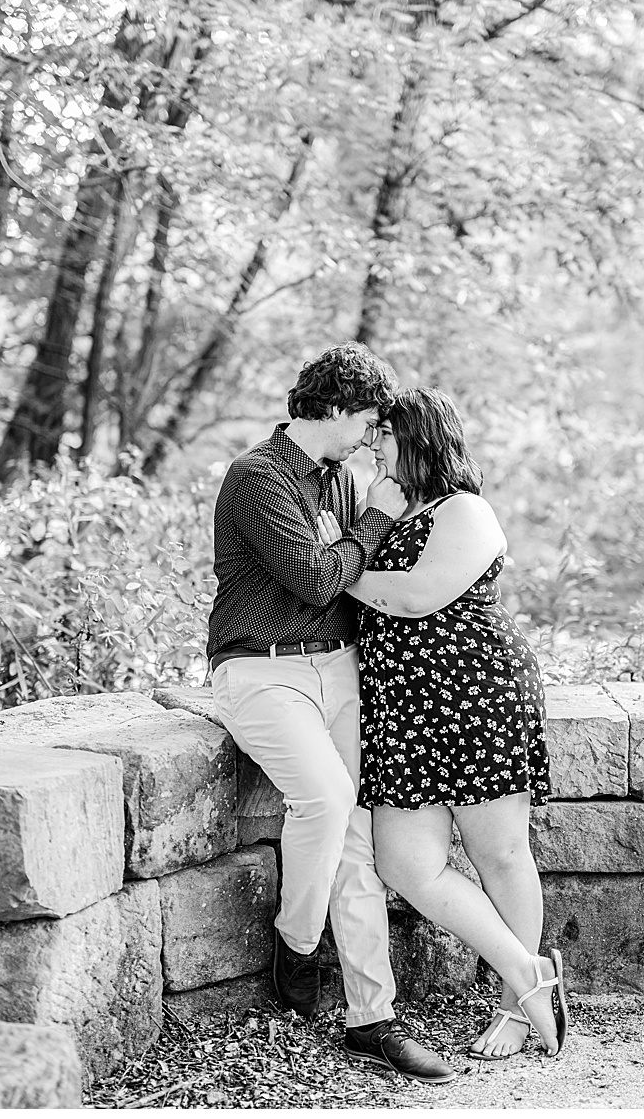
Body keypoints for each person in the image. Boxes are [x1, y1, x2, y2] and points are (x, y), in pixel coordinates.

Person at [208, 343, 455, 1083]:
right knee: (323, 795)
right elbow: (320, 578)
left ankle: (372, 1018)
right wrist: (373, 522)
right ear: (338, 410)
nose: (373, 436)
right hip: (261, 667)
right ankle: (297, 938)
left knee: (354, 836)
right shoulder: (257, 476)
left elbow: (359, 583)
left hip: (336, 666)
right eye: (370, 420)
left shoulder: (344, 481)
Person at [333, 387, 568, 1061]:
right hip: (406, 712)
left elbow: (413, 596)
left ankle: (516, 1011)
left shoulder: (466, 510)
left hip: (477, 697)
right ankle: (530, 972)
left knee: (500, 854)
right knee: (404, 862)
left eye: (386, 434)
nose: (375, 445)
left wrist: (329, 570)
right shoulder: (392, 509)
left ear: (423, 440)